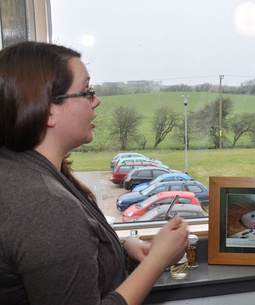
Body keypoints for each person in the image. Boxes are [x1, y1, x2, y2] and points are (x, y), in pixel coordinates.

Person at [0, 41, 189, 305]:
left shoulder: (17, 167)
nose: (96, 100)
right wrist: (158, 260)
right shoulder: (45, 205)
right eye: (86, 91)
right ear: (48, 110)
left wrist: (120, 248)